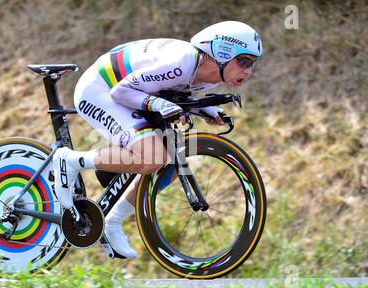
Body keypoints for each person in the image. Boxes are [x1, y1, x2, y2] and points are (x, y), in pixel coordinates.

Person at [53, 21, 263, 258]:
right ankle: (70, 160)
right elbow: (121, 92)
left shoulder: (211, 76)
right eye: (244, 61)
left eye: (252, 64)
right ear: (222, 52)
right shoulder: (182, 63)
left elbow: (177, 97)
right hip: (101, 89)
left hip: (130, 92)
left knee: (174, 164)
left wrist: (208, 111)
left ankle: (112, 221)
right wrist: (163, 105)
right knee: (152, 157)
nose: (248, 70)